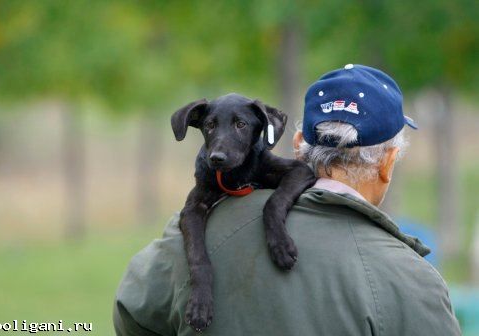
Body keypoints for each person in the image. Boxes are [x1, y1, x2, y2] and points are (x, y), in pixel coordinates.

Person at [113, 64, 461, 335]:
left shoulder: (188, 236)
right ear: (387, 163)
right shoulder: (416, 279)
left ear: (297, 144)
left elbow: (131, 315)